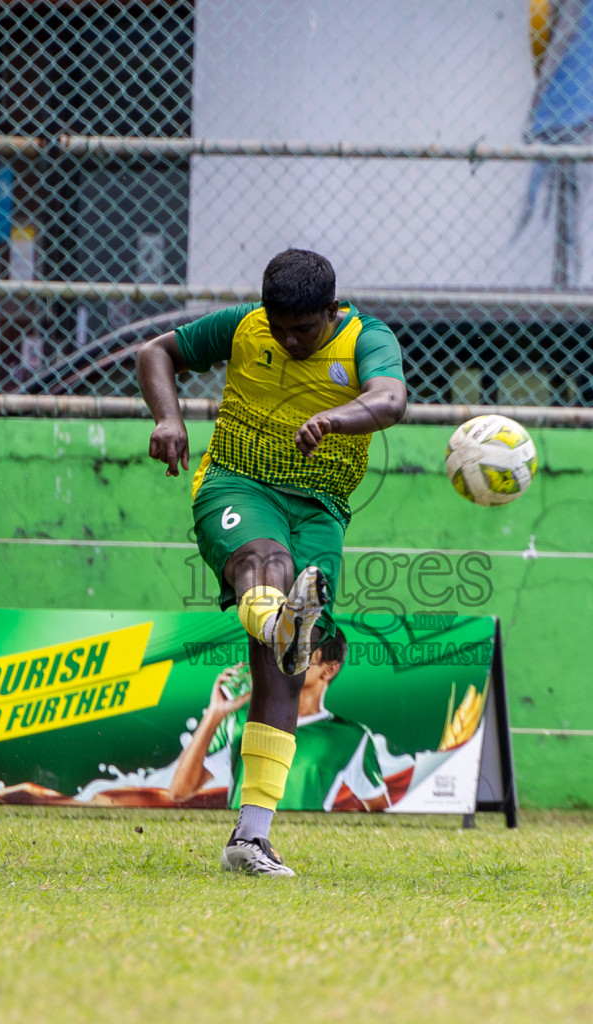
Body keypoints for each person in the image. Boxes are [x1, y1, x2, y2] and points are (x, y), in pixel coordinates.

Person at [136, 248, 407, 877]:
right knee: (267, 560)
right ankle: (283, 621)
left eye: (303, 330)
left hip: (320, 508)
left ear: (331, 312)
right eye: (278, 325)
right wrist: (169, 418)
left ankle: (249, 840)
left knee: (284, 670)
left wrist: (336, 418)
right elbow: (158, 352)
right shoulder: (243, 325)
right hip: (238, 485)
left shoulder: (369, 338)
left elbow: (391, 400)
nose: (287, 339)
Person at [168, 629, 391, 814]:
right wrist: (215, 712)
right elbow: (179, 791)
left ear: (329, 668)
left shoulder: (350, 737)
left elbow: (380, 812)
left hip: (305, 857)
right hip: (241, 852)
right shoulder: (240, 718)